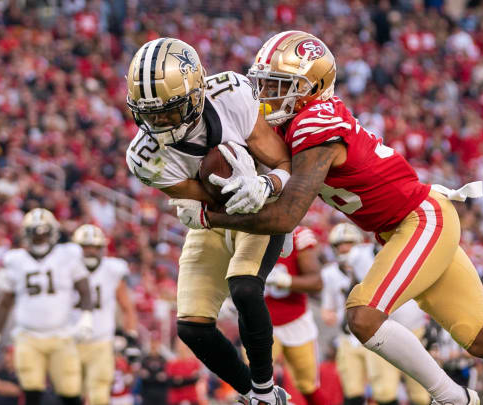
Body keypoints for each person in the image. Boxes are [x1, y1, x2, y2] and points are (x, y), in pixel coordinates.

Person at [193, 30, 483, 405]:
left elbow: (288, 215)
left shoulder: (314, 124)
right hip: (409, 223)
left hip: (419, 221)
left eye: (277, 85)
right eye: (263, 84)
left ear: (311, 88)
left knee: (363, 315)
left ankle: (453, 397)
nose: (266, 95)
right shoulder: (300, 122)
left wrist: (213, 216)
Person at [124, 37, 292, 405]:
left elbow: (285, 163)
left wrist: (265, 184)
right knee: (191, 326)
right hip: (215, 218)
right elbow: (212, 200)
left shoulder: (232, 95)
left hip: (261, 206)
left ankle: (265, 391)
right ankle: (253, 393)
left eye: (168, 112)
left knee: (245, 288)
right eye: (148, 114)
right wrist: (202, 207)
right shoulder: (144, 156)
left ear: (197, 92)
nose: (159, 124)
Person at [0, 208, 94, 405]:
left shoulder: (67, 255)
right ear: (26, 234)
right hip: (28, 336)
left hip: (62, 334)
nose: (40, 238)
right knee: (31, 389)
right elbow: (4, 304)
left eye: (44, 233)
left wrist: (87, 316)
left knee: (70, 389)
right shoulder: (15, 260)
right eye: (35, 233)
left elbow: (84, 288)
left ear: (53, 232)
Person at [321, 223, 430, 405]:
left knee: (421, 392)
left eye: (348, 244)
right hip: (371, 333)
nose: (345, 250)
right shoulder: (340, 268)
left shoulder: (376, 256)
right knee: (379, 392)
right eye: (340, 246)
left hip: (409, 327)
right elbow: (346, 296)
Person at [71, 224, 139, 405]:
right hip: (70, 341)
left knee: (99, 396)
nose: (91, 251)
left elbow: (127, 308)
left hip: (101, 341)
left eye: (95, 247)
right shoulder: (65, 268)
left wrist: (131, 338)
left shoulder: (112, 269)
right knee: (69, 394)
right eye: (86, 247)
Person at [263, 226, 327, 405]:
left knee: (308, 385)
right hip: (259, 321)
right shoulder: (245, 232)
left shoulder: (298, 235)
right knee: (254, 383)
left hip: (295, 320)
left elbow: (316, 282)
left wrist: (284, 280)